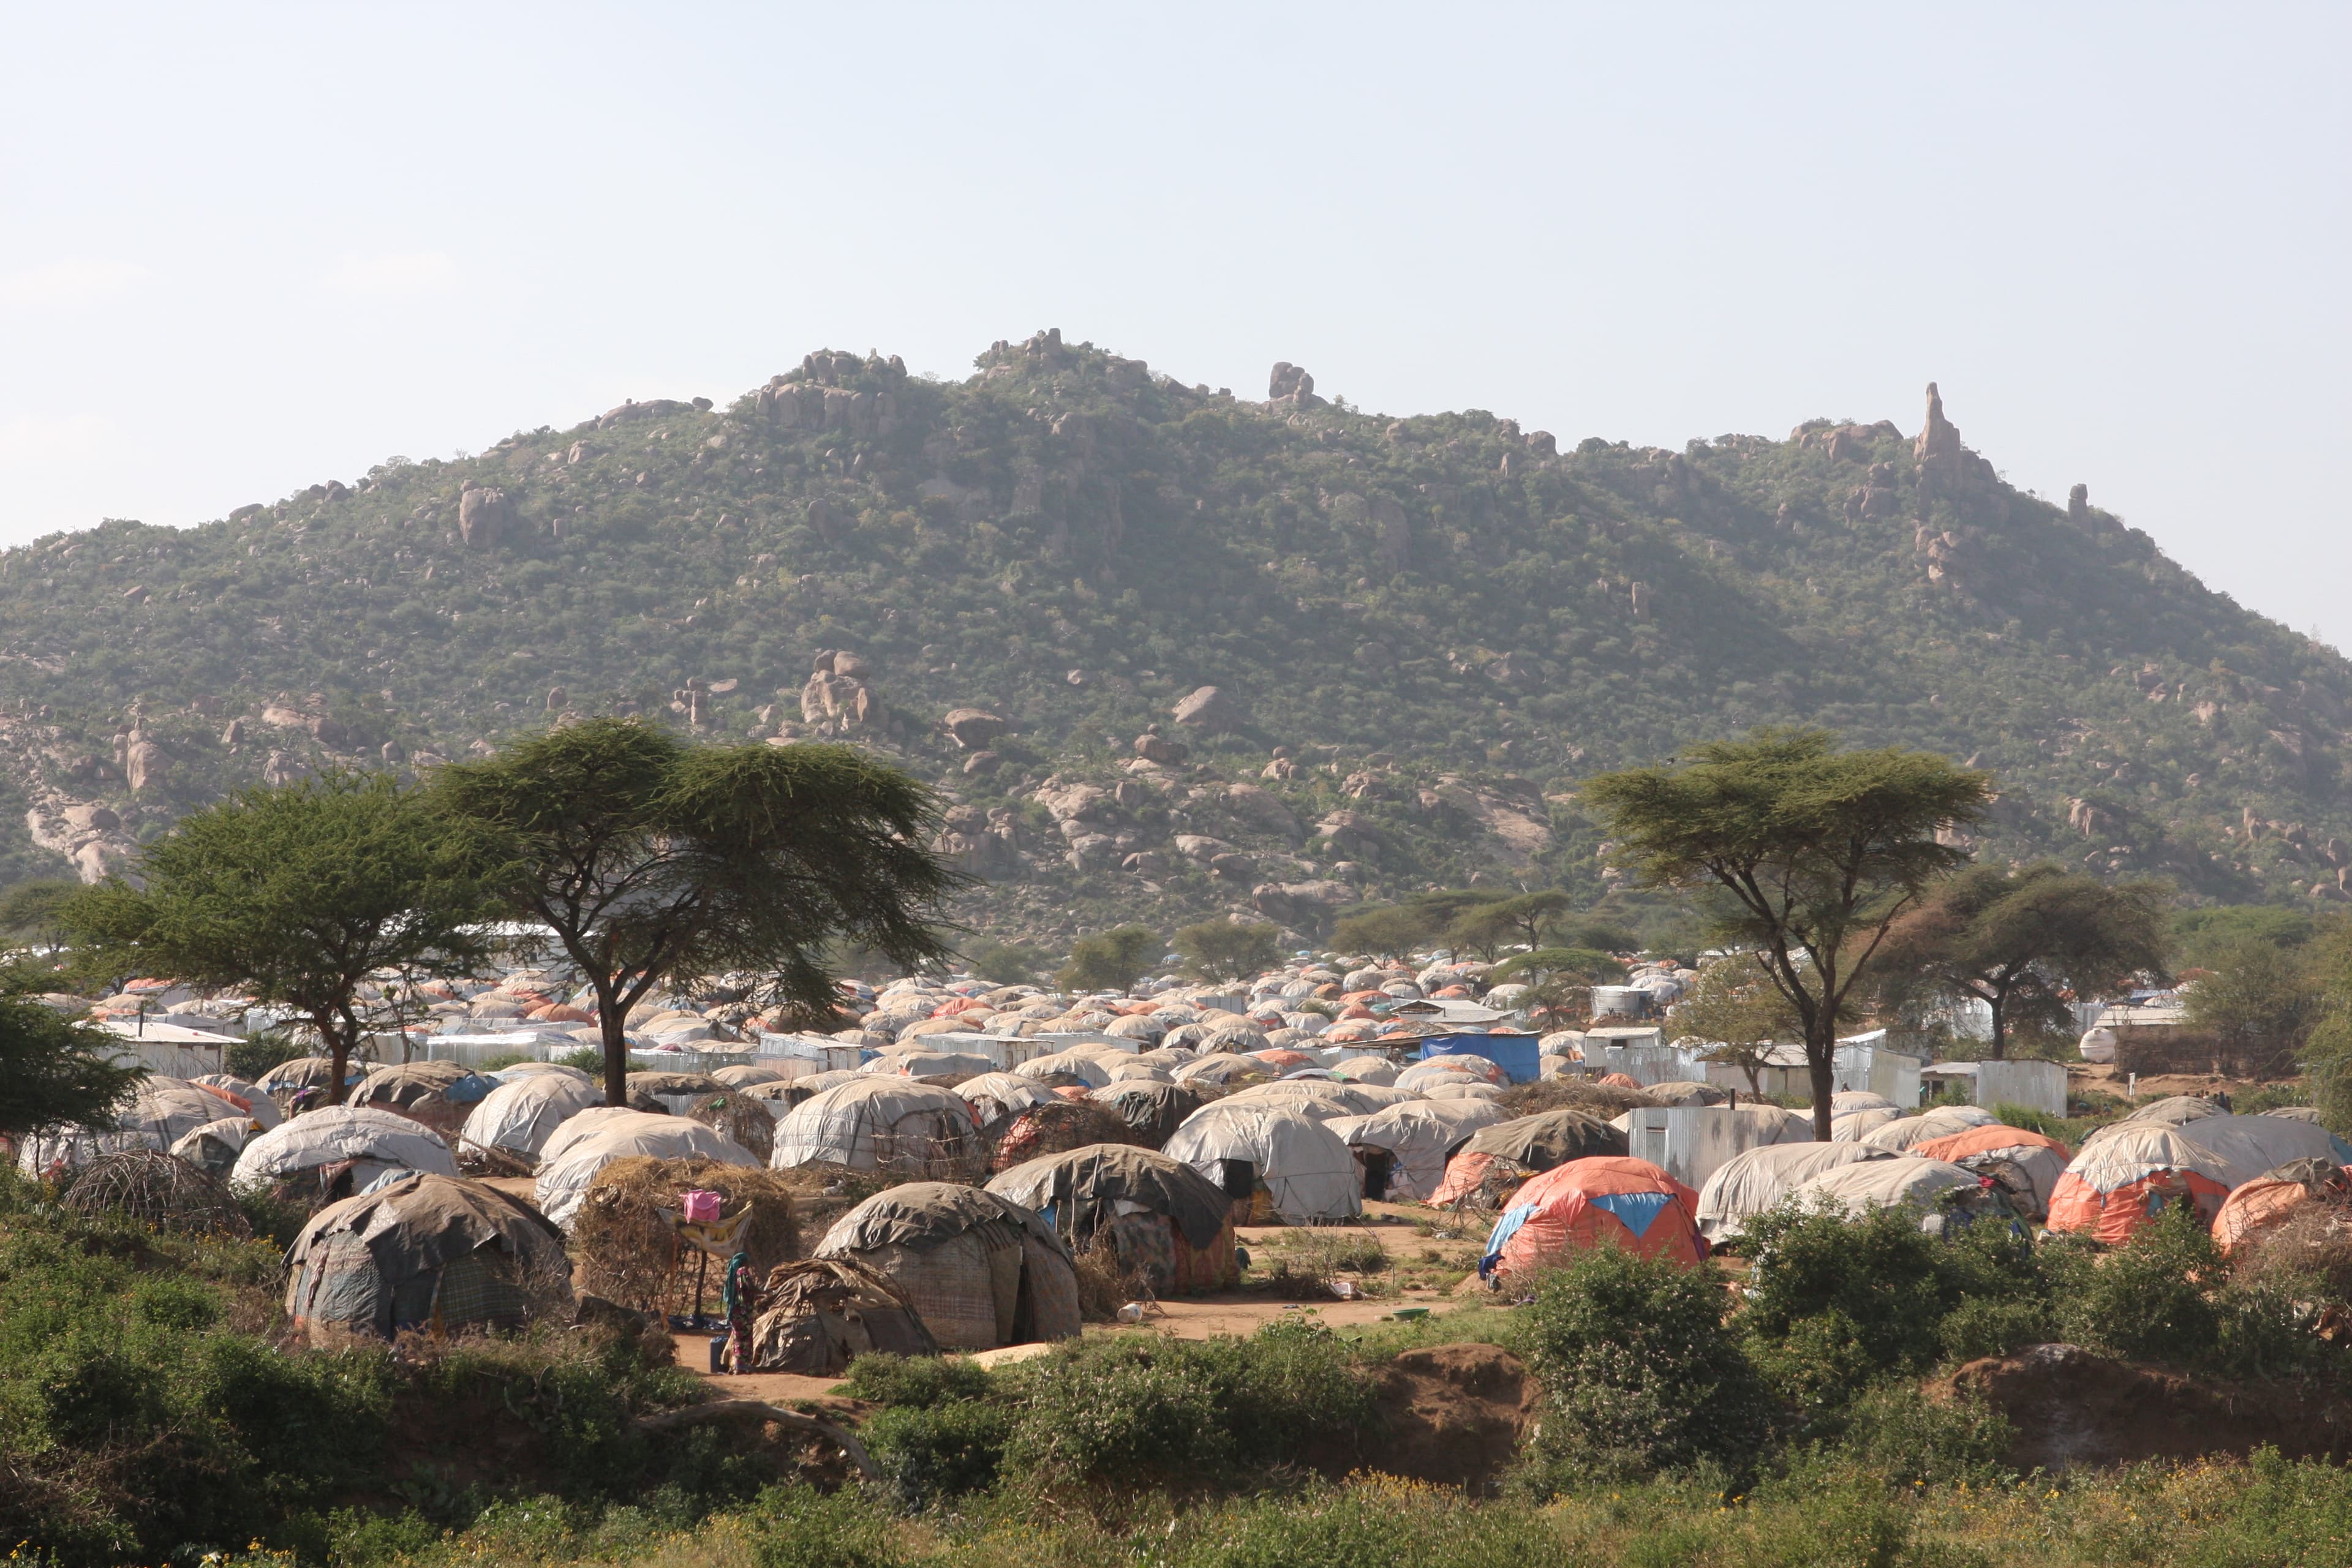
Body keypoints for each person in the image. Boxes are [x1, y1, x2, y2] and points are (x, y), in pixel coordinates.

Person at [722, 1250, 760, 1373]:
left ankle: (738, 1367)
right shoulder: (743, 1271)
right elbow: (750, 1286)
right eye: (748, 1261)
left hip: (736, 1312)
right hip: (743, 1313)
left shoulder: (734, 1274)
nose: (749, 1263)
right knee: (745, 1340)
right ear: (744, 1262)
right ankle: (743, 1367)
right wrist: (762, 1292)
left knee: (738, 1340)